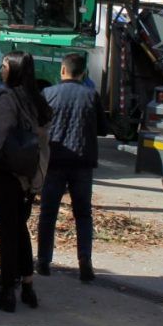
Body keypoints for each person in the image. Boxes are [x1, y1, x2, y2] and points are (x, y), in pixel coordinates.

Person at [0, 51, 52, 312]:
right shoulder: (36, 99)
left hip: (7, 172)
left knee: (7, 233)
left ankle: (7, 291)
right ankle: (28, 285)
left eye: (5, 65)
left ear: (15, 70)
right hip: (28, 173)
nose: (1, 68)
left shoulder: (9, 98)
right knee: (20, 230)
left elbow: (0, 134)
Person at [36, 53, 109, 282]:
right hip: (82, 162)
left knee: (48, 212)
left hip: (55, 161)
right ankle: (84, 260)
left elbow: (38, 123)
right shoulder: (91, 95)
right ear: (83, 73)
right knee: (83, 214)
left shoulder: (48, 94)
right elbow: (103, 129)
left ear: (62, 71)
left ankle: (43, 260)